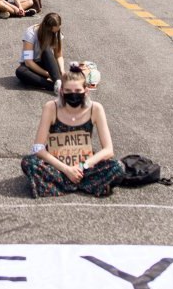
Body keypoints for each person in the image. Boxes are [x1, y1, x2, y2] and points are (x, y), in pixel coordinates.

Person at [20, 64, 123, 198]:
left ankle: (59, 185)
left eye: (77, 90)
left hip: (85, 166)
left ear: (86, 90)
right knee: (29, 163)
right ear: (61, 91)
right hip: (57, 165)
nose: (73, 94)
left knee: (118, 167)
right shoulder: (51, 107)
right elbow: (38, 148)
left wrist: (82, 166)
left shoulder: (96, 109)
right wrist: (67, 169)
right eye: (68, 90)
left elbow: (108, 150)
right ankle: (87, 185)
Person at [15, 12, 64, 91]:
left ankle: (58, 81)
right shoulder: (31, 33)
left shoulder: (56, 33)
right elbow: (28, 62)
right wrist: (48, 74)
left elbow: (58, 56)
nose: (53, 34)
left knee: (46, 50)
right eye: (51, 32)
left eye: (55, 31)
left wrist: (62, 70)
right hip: (32, 66)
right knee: (20, 71)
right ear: (46, 28)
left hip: (48, 64)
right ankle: (53, 86)